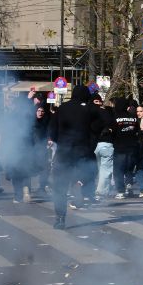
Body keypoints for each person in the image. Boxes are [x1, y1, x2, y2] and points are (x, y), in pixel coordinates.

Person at [48, 88, 101, 228]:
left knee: (59, 187)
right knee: (86, 174)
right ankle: (78, 186)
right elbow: (103, 122)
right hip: (82, 154)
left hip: (64, 154)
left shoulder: (62, 109)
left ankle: (60, 218)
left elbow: (52, 132)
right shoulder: (89, 109)